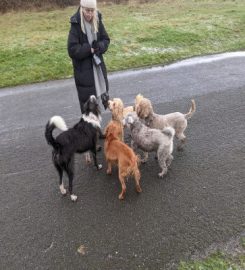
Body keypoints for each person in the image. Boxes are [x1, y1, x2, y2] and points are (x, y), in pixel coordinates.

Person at [68, 0, 110, 114]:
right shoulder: (76, 24)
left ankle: (96, 131)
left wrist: (99, 47)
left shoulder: (98, 19)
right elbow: (72, 50)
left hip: (98, 69)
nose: (90, 14)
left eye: (92, 11)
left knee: (97, 110)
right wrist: (89, 49)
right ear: (82, 9)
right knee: (89, 112)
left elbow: (106, 40)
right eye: (87, 11)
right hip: (84, 73)